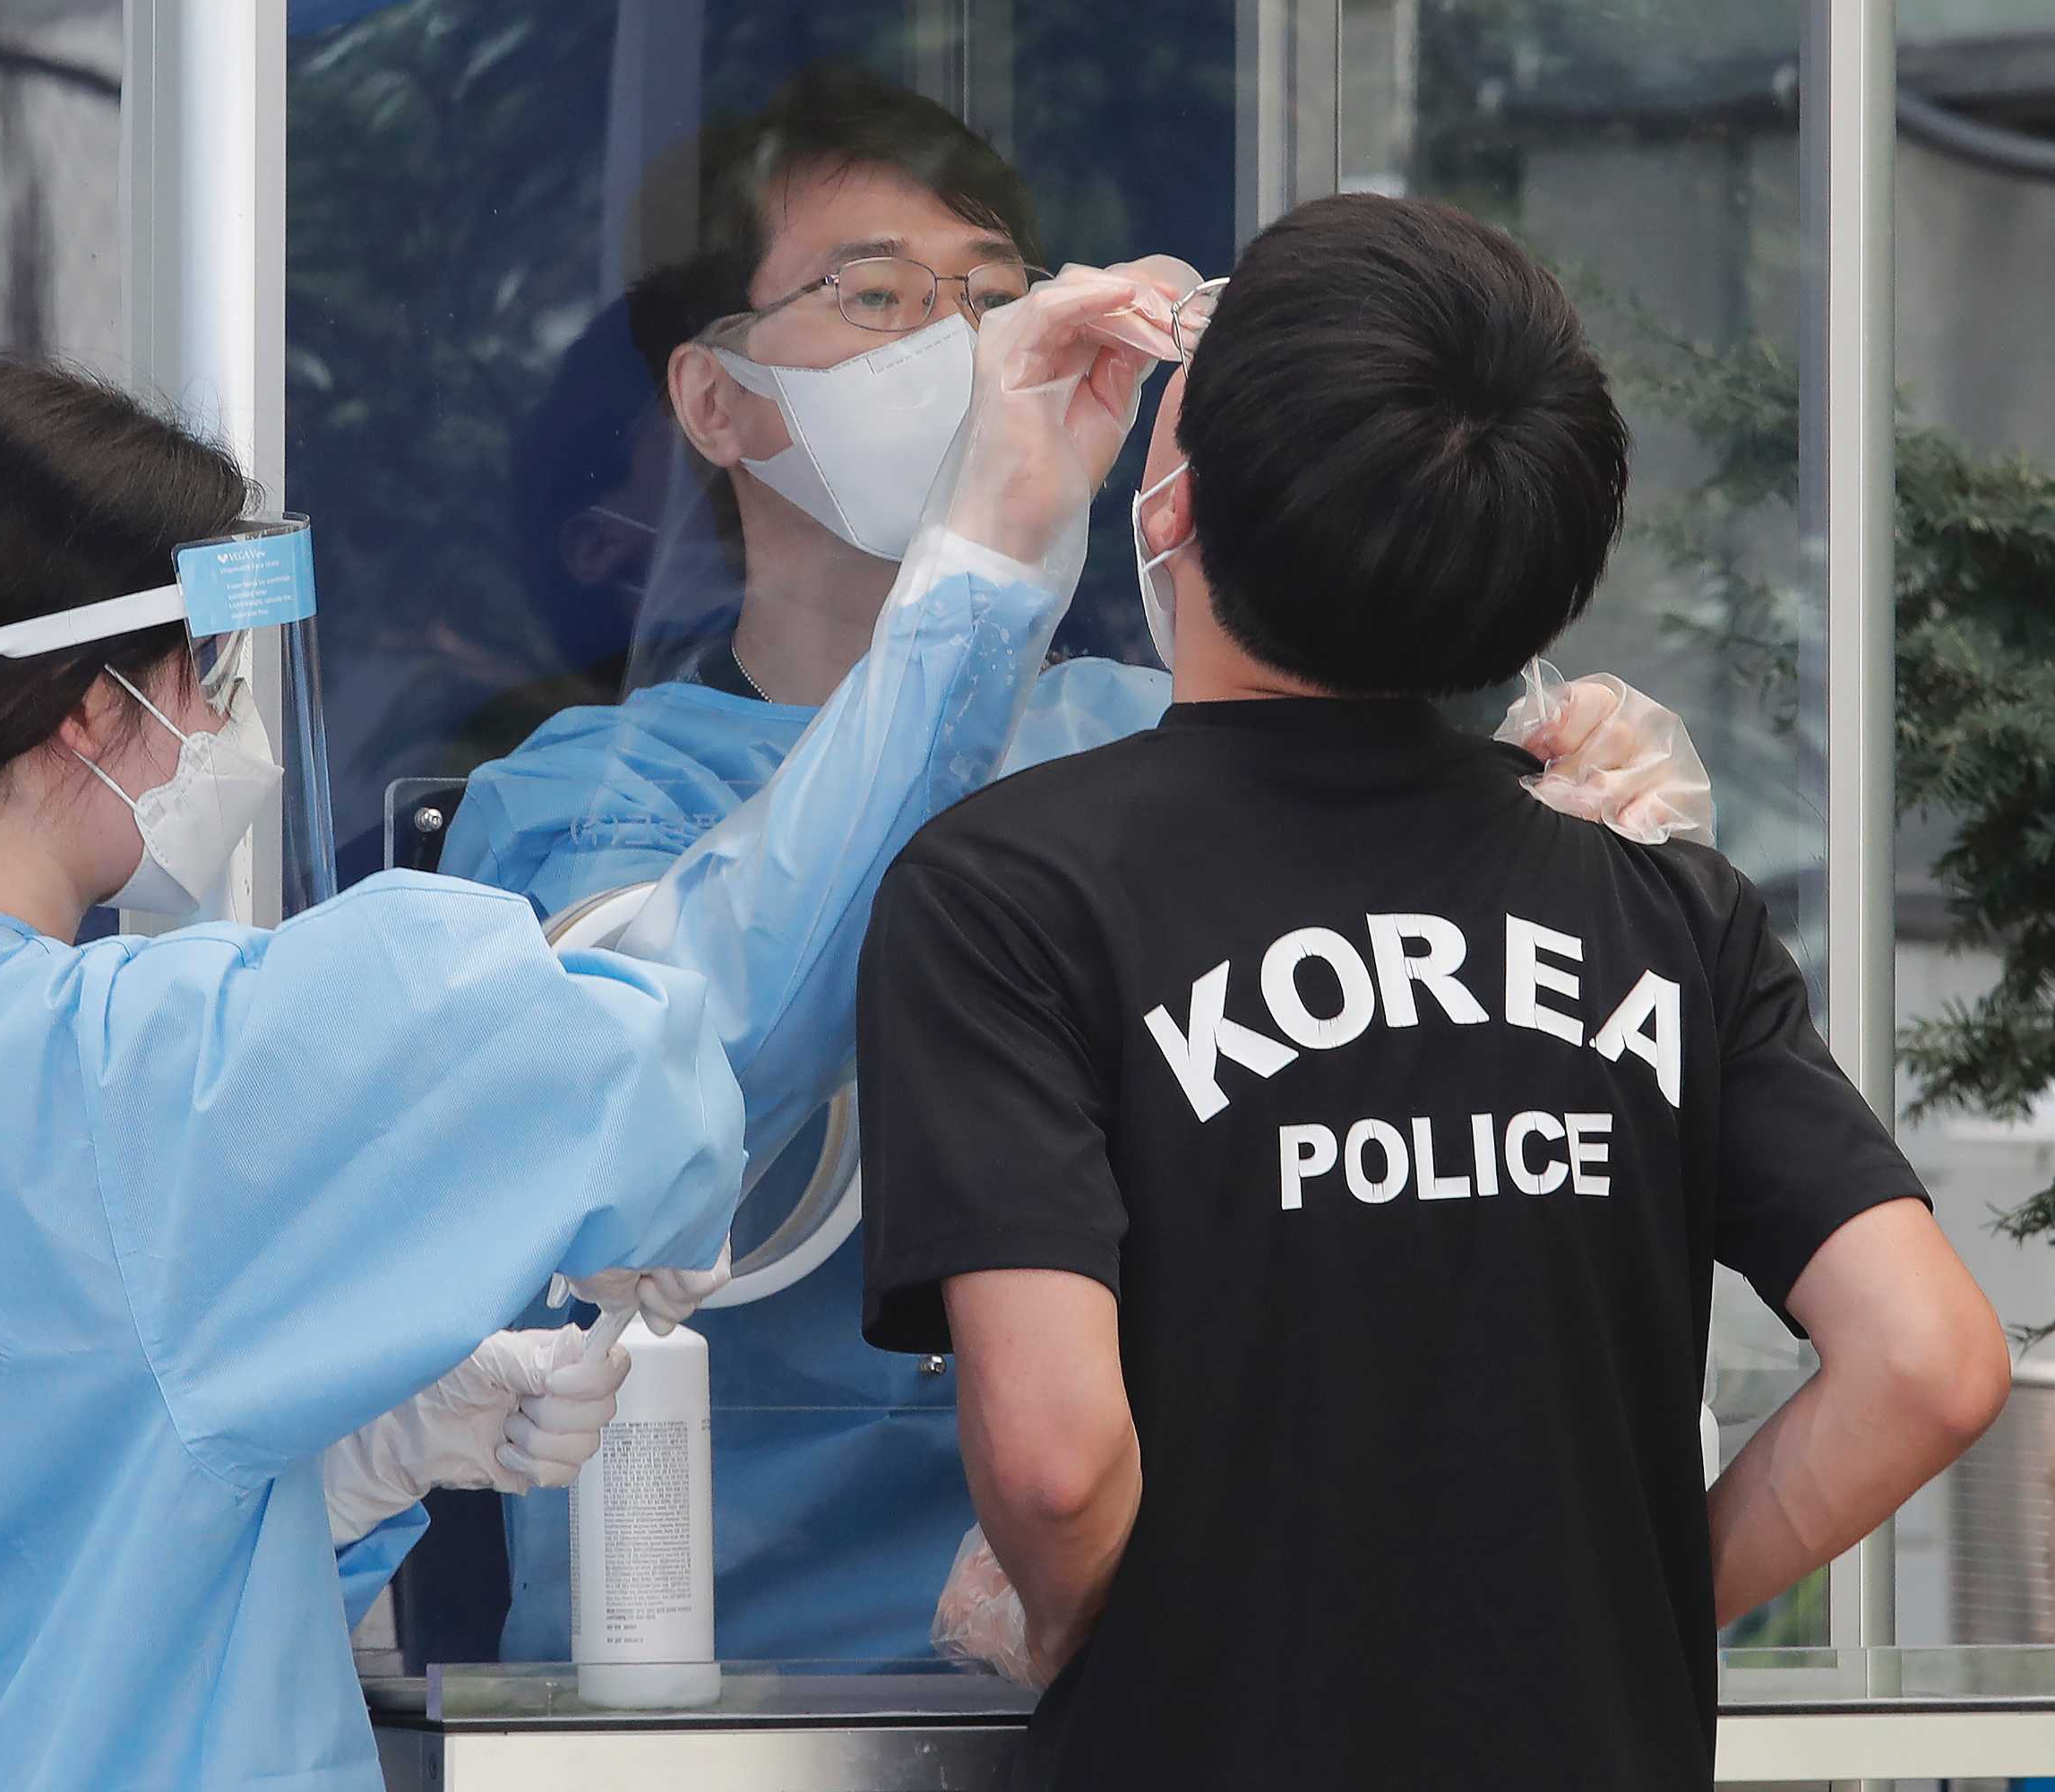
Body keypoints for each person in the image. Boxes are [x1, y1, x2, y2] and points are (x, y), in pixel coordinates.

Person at [444, 67, 1708, 1667]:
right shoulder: (586, 800)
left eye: (992, 297)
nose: (960, 348)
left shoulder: (1132, 733)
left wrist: (1538, 804)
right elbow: (681, 1078)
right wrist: (982, 571)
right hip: (731, 1679)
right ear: (717, 402)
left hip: (1144, 1648)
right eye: (876, 296)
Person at [856, 194, 2010, 1789]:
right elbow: (1927, 1362)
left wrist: (1088, 1635)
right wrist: (1626, 1624)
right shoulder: (1659, 901)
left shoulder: (1010, 895)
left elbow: (1057, 1467)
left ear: (1180, 499)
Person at [0, 355, 743, 1792]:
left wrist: (344, 1465)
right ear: (88, 707)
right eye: (206, 678)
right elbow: (635, 1065)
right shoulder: (125, 1070)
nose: (224, 731)